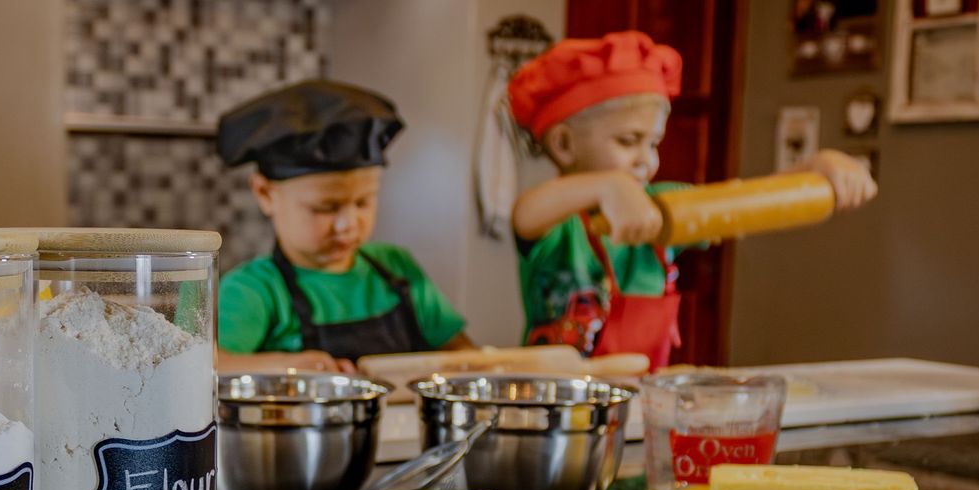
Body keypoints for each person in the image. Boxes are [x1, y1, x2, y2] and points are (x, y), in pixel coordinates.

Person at [507, 31, 877, 368]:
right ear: (564, 144)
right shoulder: (556, 222)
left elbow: (745, 201)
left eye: (652, 143)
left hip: (639, 409)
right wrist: (606, 188)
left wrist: (818, 166)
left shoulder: (664, 204)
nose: (645, 159)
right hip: (558, 416)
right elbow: (526, 213)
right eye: (627, 141)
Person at [216, 80, 472, 373]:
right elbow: (210, 367)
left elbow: (464, 355)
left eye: (364, 202)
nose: (349, 225)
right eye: (325, 208)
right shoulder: (254, 289)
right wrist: (289, 367)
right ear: (265, 194)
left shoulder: (397, 269)